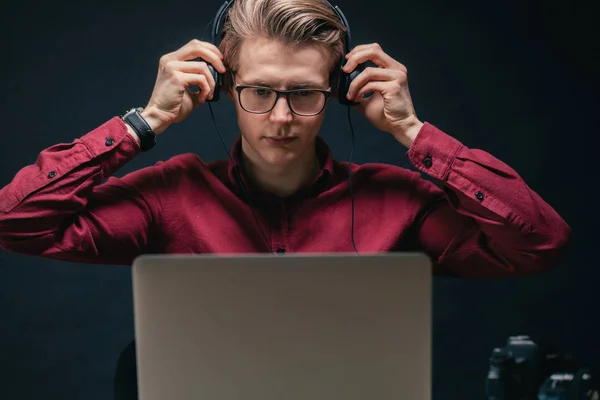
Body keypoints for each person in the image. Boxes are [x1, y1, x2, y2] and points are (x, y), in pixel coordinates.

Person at [0, 0, 571, 280]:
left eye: (304, 94)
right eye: (258, 92)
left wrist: (412, 131)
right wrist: (143, 122)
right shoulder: (168, 196)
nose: (281, 117)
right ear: (222, 87)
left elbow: (540, 243)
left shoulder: (397, 203)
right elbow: (14, 222)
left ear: (340, 91)